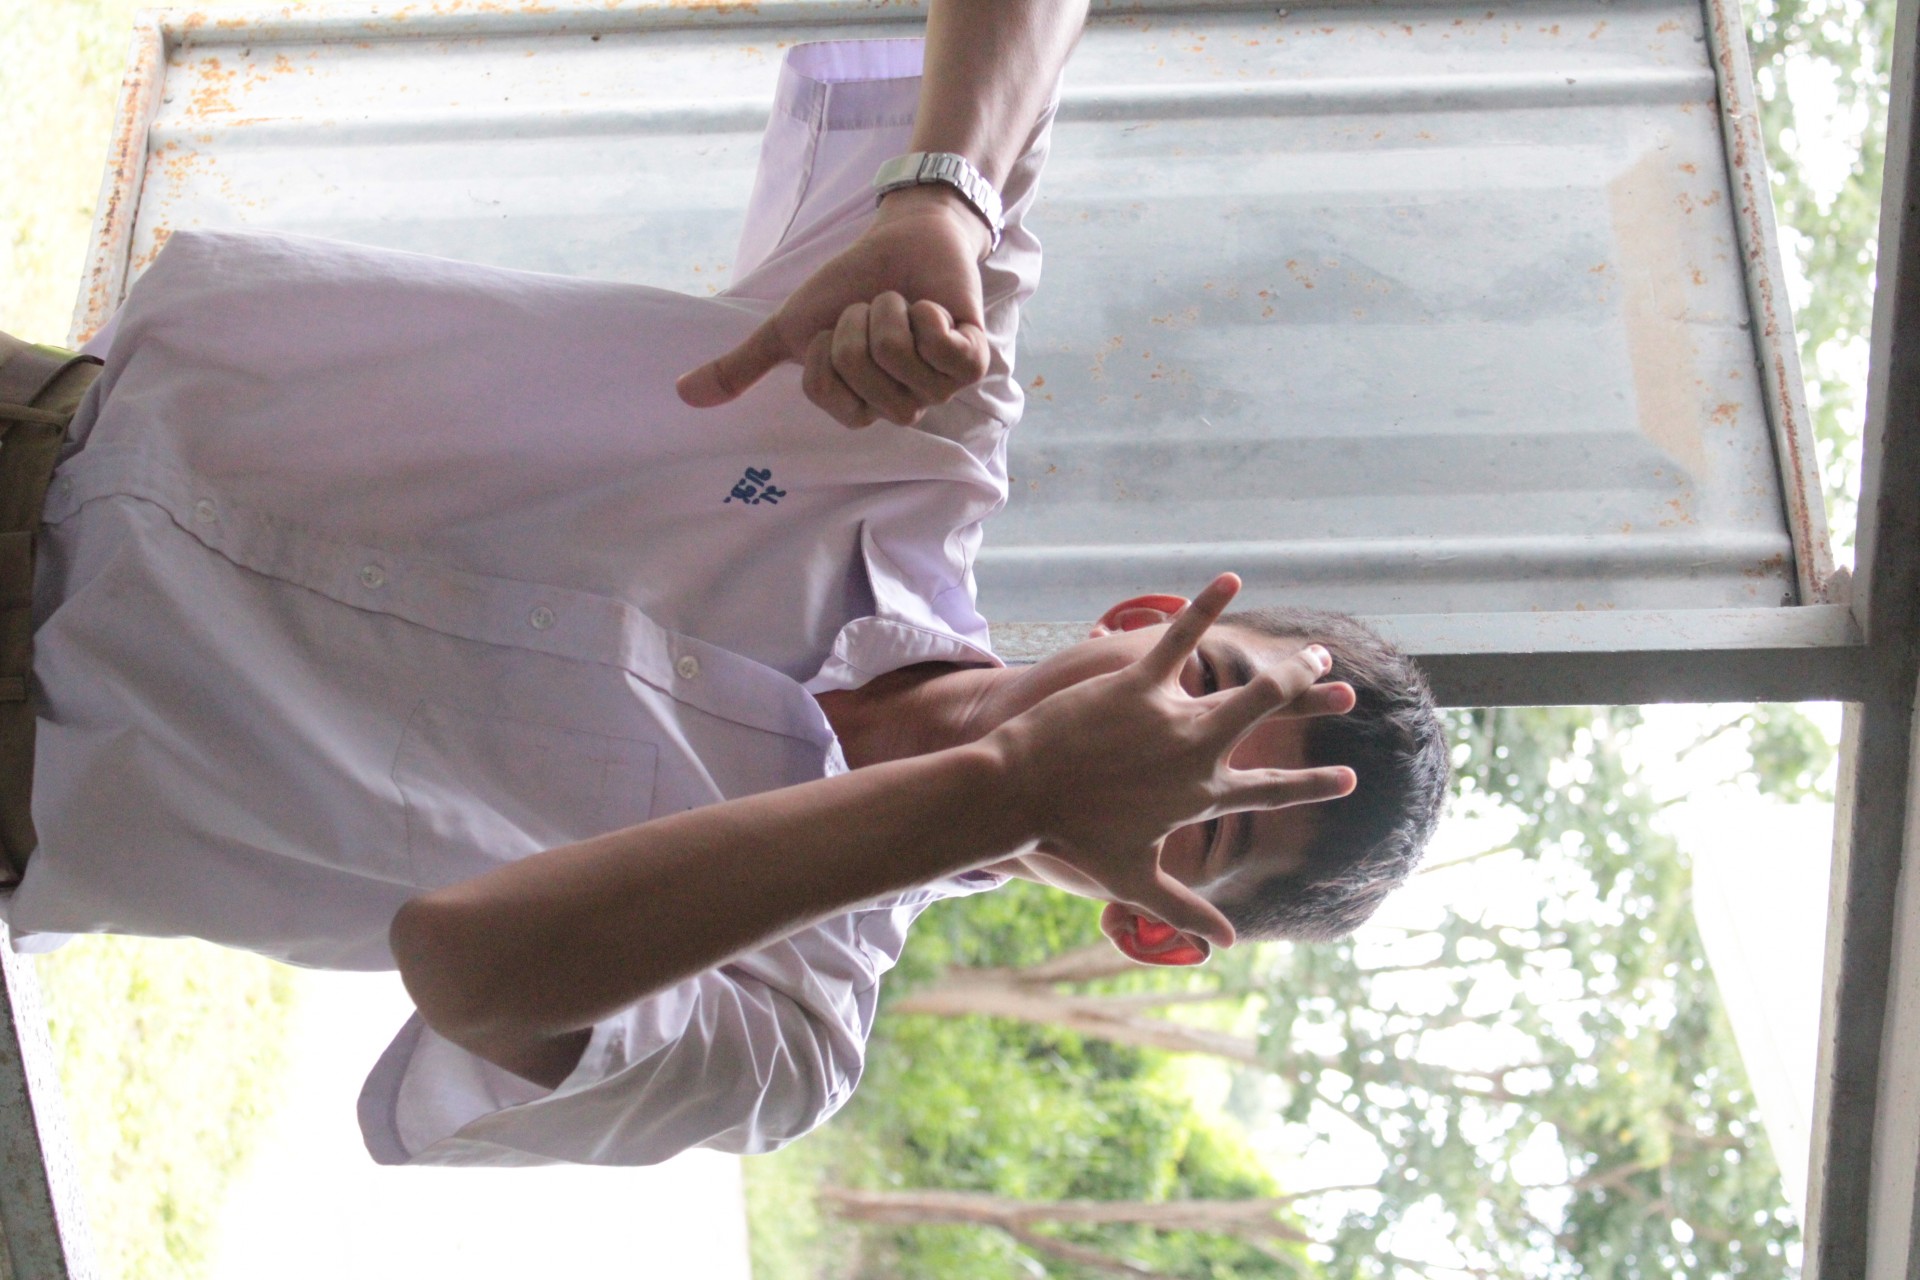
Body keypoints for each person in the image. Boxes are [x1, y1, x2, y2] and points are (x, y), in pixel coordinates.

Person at [0, 3, 1449, 1167]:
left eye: (1202, 814)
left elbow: (468, 968)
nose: (1142, 743)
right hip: (50, 424)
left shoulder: (796, 1028)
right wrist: (944, 200)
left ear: (1153, 922)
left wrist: (1011, 788)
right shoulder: (919, 437)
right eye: (1203, 687)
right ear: (1150, 621)